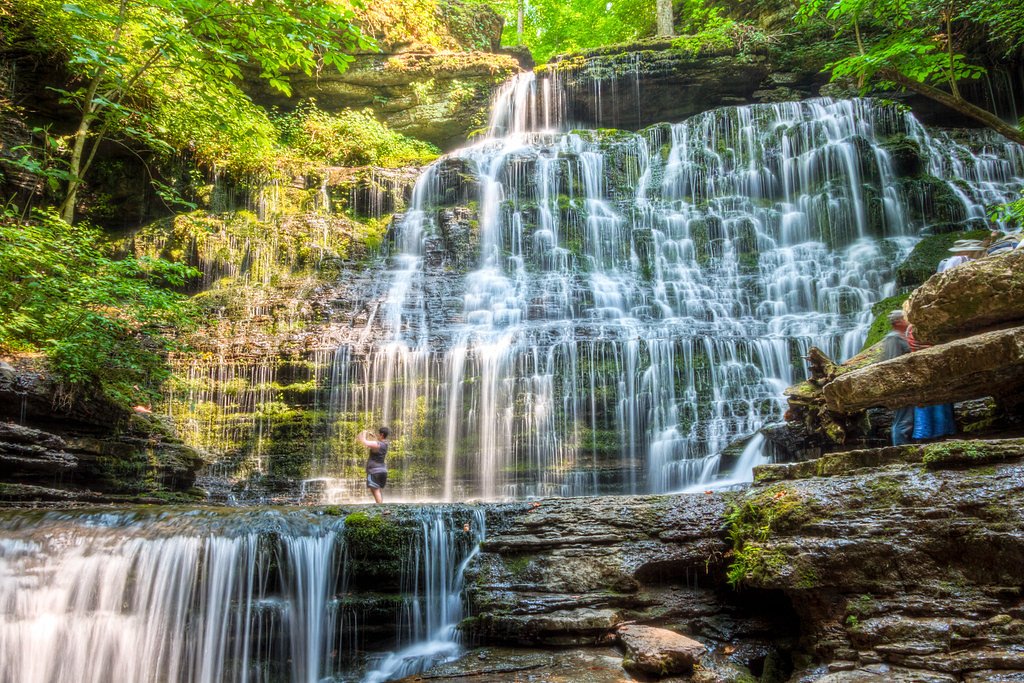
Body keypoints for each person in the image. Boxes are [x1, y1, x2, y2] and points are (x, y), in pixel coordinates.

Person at [882, 310, 914, 446]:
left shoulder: (900, 336)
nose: (909, 321)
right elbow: (893, 362)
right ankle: (900, 449)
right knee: (903, 419)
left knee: (907, 417)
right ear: (898, 322)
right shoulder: (893, 338)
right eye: (906, 318)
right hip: (900, 385)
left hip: (905, 383)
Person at [357, 426, 390, 504]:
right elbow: (377, 442)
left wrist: (364, 433)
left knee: (375, 490)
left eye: (378, 434)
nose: (377, 435)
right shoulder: (385, 444)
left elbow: (364, 442)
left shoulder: (377, 444)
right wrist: (373, 436)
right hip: (382, 471)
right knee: (377, 489)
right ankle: (380, 505)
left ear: (381, 434)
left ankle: (380, 507)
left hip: (374, 471)